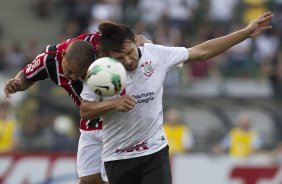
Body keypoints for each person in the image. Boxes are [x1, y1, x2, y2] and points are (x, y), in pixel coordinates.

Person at [79, 12, 273, 184]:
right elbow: (85, 110)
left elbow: (202, 51)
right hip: (117, 157)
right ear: (109, 57)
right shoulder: (101, 71)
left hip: (153, 152)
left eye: (129, 53)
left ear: (135, 41)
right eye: (120, 58)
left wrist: (245, 33)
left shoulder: (155, 55)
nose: (128, 61)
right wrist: (113, 103)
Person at [3, 32, 150, 184]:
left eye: (80, 74)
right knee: (88, 180)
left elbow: (135, 39)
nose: (73, 77)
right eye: (70, 71)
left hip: (119, 121)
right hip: (90, 121)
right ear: (64, 54)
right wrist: (17, 83)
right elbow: (26, 77)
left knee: (116, 177)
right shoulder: (48, 60)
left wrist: (145, 44)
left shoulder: (99, 43)